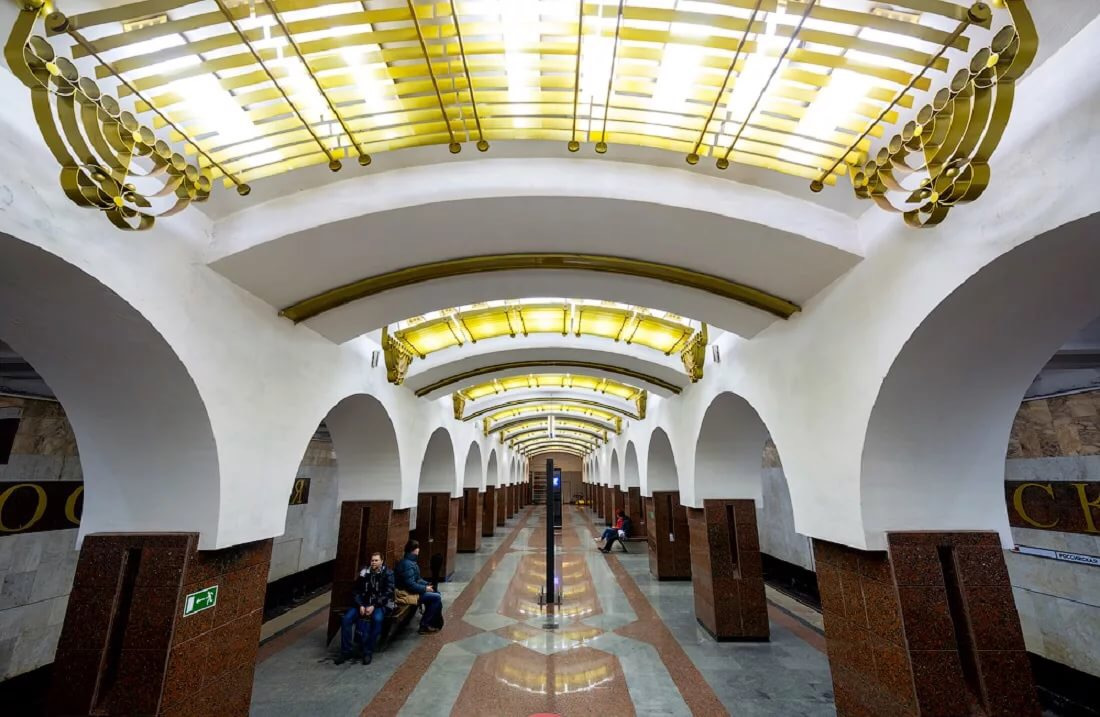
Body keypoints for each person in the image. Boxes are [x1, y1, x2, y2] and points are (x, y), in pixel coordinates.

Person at [336, 551, 393, 665]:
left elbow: (388, 593)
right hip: (363, 603)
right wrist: (360, 604)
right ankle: (346, 651)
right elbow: (356, 591)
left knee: (377, 620)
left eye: (376, 560)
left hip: (379, 605)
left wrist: (374, 605)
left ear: (382, 561)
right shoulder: (364, 573)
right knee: (346, 619)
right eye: (372, 560)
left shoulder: (388, 574)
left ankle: (368, 651)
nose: (373, 562)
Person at [395, 539, 443, 635]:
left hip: (411, 591)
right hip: (406, 594)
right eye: (417, 547)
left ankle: (430, 621)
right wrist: (425, 588)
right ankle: (424, 625)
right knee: (436, 597)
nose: (419, 549)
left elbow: (417, 579)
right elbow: (410, 585)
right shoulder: (407, 564)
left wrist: (427, 584)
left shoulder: (411, 562)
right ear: (413, 550)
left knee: (436, 593)